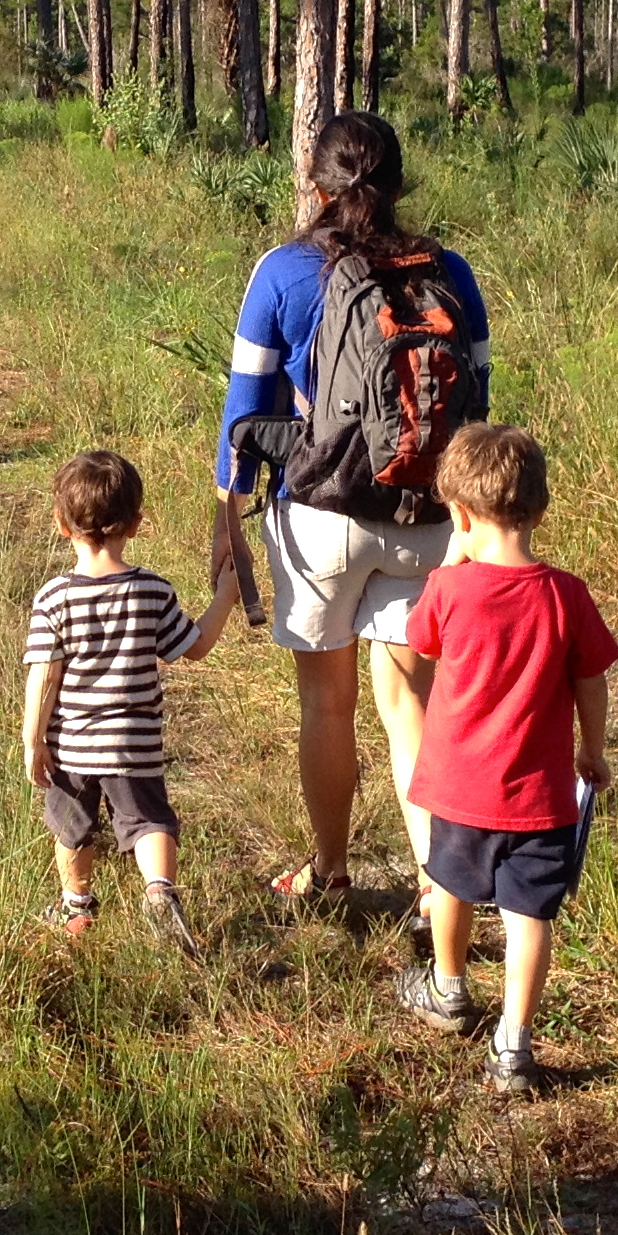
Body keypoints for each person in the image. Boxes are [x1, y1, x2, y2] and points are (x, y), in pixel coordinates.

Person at [212, 112, 492, 899]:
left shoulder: (283, 271)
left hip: (319, 517)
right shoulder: (449, 270)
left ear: (315, 184)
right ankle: (438, 891)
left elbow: (245, 408)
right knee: (410, 704)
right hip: (428, 517)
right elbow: (476, 401)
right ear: (400, 183)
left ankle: (331, 870)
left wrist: (226, 521)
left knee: (326, 704)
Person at [389, 425, 616, 1095]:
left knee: (450, 885)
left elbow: (421, 643)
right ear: (539, 511)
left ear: (459, 516)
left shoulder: (450, 589)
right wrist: (591, 749)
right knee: (530, 917)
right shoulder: (567, 595)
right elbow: (592, 680)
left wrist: (449, 562)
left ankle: (448, 987)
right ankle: (514, 1045)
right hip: (541, 797)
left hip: (459, 789)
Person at [23, 449, 240, 947]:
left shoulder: (53, 598)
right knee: (149, 821)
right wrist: (225, 597)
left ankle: (76, 907)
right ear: (137, 524)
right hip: (135, 743)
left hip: (72, 745)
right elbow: (194, 647)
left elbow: (44, 676)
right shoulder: (152, 590)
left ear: (61, 525)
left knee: (71, 828)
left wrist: (33, 740)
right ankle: (160, 890)